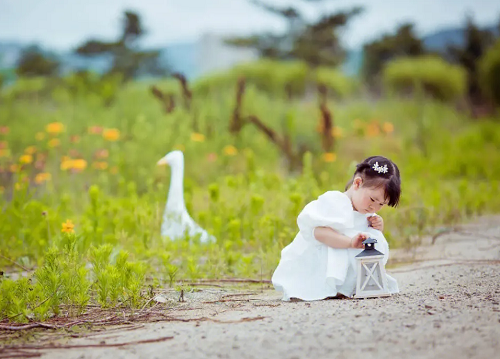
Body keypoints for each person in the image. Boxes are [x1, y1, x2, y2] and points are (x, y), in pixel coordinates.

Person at [272, 155, 401, 301]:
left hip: (348, 255)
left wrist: (377, 226)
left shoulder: (367, 212)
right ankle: (329, 285)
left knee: (371, 243)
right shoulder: (336, 202)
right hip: (322, 258)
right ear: (357, 183)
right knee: (342, 245)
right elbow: (318, 232)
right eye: (372, 199)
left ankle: (351, 286)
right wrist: (349, 242)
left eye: (381, 204)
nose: (375, 207)